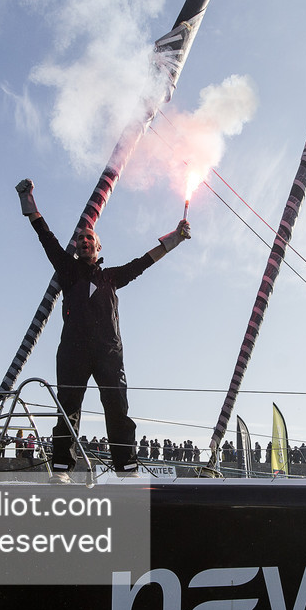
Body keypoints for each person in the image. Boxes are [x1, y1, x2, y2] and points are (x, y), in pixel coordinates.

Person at [16, 176, 190, 475]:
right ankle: (61, 467)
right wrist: (28, 201)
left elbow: (143, 262)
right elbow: (46, 238)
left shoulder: (111, 277)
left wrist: (175, 237)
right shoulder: (68, 269)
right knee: (68, 407)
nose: (85, 241)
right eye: (81, 240)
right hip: (72, 350)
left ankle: (126, 466)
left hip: (109, 351)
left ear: (97, 247)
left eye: (90, 239)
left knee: (117, 406)